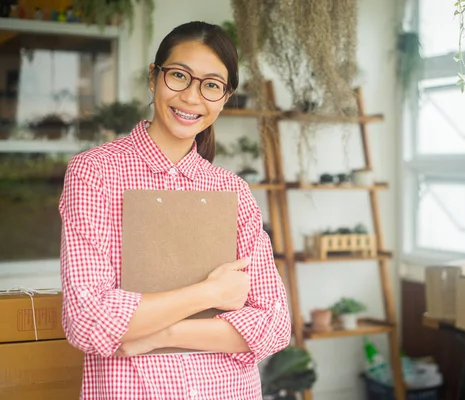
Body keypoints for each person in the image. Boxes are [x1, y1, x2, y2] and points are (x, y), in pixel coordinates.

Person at [59, 21, 291, 399]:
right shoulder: (96, 173)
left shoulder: (231, 190)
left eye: (212, 85)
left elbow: (273, 325)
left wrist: (159, 333)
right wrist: (209, 293)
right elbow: (89, 319)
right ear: (154, 77)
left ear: (224, 96)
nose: (192, 97)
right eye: (179, 76)